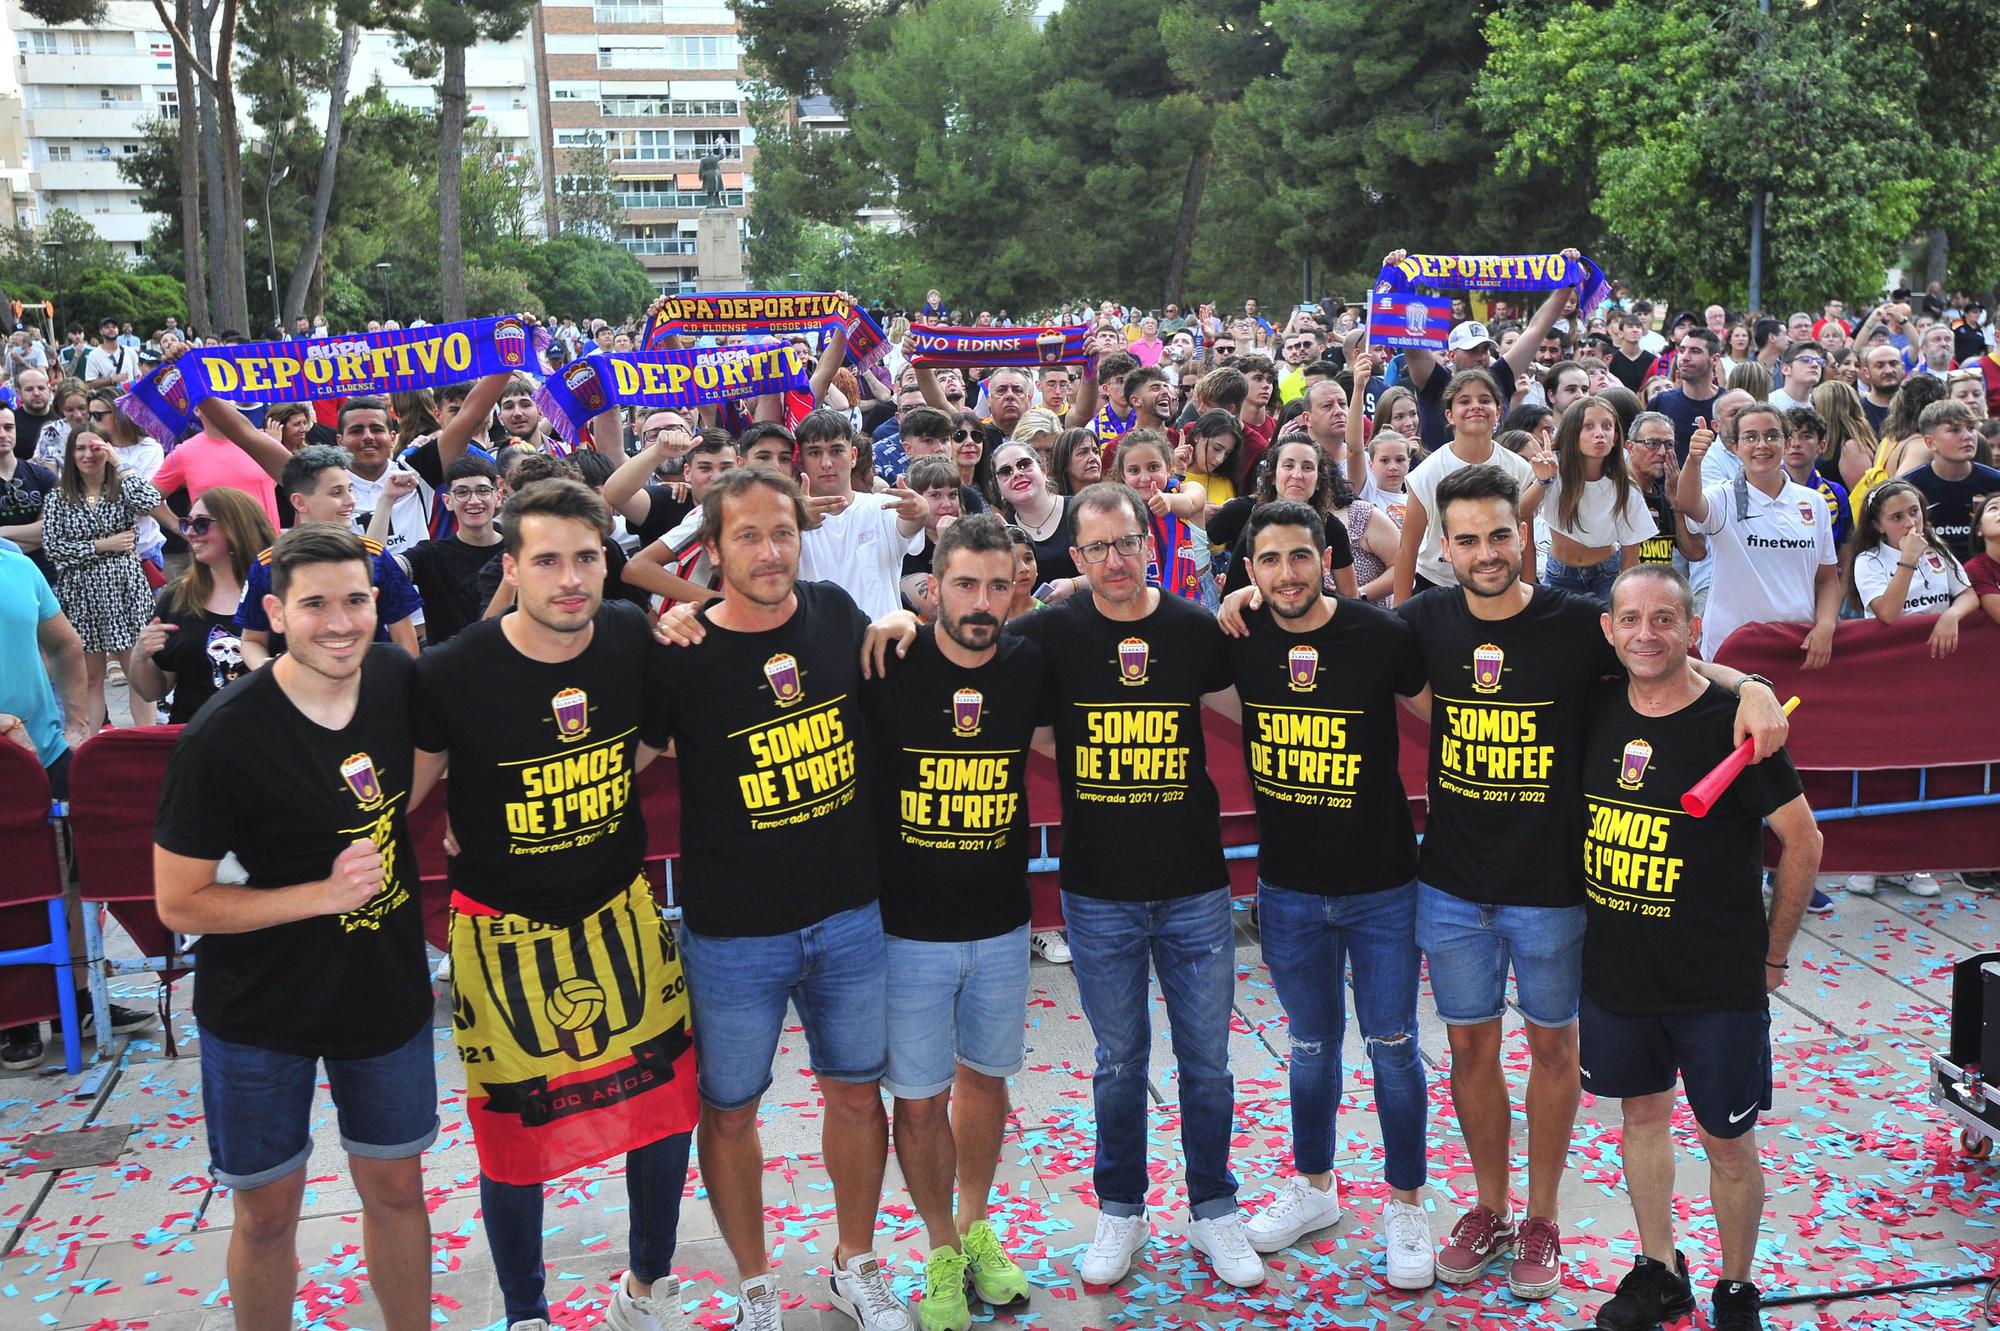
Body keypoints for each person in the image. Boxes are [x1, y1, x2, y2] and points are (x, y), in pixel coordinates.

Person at [1389, 463, 1787, 1300]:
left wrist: (1749, 682)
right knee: (1469, 1048)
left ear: (1522, 532)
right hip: (1454, 884)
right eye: (1467, 538)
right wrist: (1243, 601)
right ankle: (1489, 1207)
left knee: (1552, 1046)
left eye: (1501, 533)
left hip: (1553, 886)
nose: (1487, 551)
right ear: (1445, 546)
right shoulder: (1422, 618)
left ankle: (1541, 1217)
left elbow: (1663, 650)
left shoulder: (1579, 625)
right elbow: (1334, 637)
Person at [411, 478, 698, 1331]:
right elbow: (407, 789)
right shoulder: (452, 670)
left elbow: (651, 742)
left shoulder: (623, 634)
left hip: (620, 911)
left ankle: (646, 1289)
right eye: (547, 560)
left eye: (587, 558)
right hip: (502, 934)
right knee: (513, 1134)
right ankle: (528, 1312)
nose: (571, 578)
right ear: (512, 567)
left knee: (665, 1106)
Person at [649, 466, 914, 1331]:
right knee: (728, 1110)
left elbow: (904, 655)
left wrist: (910, 614)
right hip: (734, 933)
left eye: (783, 533)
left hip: (847, 914)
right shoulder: (683, 651)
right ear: (713, 550)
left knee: (855, 1094)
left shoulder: (836, 612)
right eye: (748, 535)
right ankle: (755, 1283)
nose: (770, 551)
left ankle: (856, 1260)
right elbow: (626, 749)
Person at [153, 524, 436, 1331]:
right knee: (269, 1212)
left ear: (377, 604)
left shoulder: (394, 677)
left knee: (396, 1189)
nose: (339, 621)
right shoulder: (223, 735)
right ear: (275, 612)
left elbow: (438, 753)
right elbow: (179, 902)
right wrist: (320, 894)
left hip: (382, 990)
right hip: (259, 1012)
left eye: (355, 600)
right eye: (315, 604)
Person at [1002, 480, 1262, 1289]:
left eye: (1128, 542)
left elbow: (1248, 707)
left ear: (1150, 543)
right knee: (1119, 1060)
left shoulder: (1193, 628)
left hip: (1193, 884)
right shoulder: (1049, 633)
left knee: (1208, 1062)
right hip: (1098, 887)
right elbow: (1039, 735)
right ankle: (1121, 1208)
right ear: (1073, 556)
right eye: (1098, 547)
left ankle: (1214, 1207)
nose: (1115, 560)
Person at [1580, 564, 1819, 1331]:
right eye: (1631, 618)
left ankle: (1736, 1286)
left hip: (1719, 979)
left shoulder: (1733, 724)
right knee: (1642, 1118)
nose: (1645, 633)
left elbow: (1803, 842)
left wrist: (1774, 957)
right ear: (1610, 628)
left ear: (1691, 629)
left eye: (1664, 619)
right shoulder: (1593, 702)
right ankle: (1660, 1272)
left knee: (1726, 1139)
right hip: (1618, 971)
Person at [1211, 501, 1433, 1287]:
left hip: (1381, 887)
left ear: (1327, 556)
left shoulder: (1381, 637)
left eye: (1300, 557)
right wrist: (1226, 605)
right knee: (1309, 1047)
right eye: (1268, 561)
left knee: (1394, 1047)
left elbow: (1452, 716)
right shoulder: (1237, 638)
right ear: (1249, 570)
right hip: (1291, 889)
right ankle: (1315, 1188)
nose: (1286, 574)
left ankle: (1407, 1202)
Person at [864, 513, 1041, 1330]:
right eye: (963, 584)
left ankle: (974, 1227)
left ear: (1017, 587)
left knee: (987, 1078)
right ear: (931, 587)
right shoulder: (887, 661)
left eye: (994, 585)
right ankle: (938, 1244)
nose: (979, 601)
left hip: (1004, 924)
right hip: (907, 929)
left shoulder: (1030, 664)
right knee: (920, 1097)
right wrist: (892, 619)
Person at [40, 428, 179, 728]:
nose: (88, 455)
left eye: (96, 447)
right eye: (80, 448)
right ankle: (92, 745)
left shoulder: (122, 488)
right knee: (91, 678)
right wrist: (102, 545)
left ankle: (145, 739)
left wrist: (118, 461)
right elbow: (54, 548)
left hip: (124, 589)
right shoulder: (58, 496)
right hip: (80, 594)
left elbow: (149, 500)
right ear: (70, 454)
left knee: (138, 674)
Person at [237, 446, 422, 666]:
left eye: (350, 490)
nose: (351, 500)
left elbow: (405, 641)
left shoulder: (375, 556)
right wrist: (273, 673)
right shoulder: (268, 564)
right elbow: (251, 641)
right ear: (299, 502)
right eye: (337, 492)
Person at [127, 487, 273, 724]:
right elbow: (154, 691)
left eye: (202, 523)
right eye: (187, 524)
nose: (191, 533)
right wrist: (140, 656)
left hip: (263, 739)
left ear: (237, 527)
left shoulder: (278, 593)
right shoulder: (179, 596)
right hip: (194, 739)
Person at [1393, 369, 1538, 600]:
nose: (1475, 406)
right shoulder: (1427, 473)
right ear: (1450, 415)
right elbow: (1408, 547)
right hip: (1439, 583)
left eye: (1484, 400)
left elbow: (1524, 538)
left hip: (1500, 579)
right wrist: (1398, 613)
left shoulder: (1520, 468)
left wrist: (1531, 592)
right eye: (1464, 401)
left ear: (1498, 412)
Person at [795, 408, 927, 620]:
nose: (826, 463)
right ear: (801, 460)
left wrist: (920, 513)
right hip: (817, 648)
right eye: (814, 452)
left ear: (854, 456)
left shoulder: (883, 507)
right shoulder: (788, 520)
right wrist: (795, 521)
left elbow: (907, 524)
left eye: (836, 451)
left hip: (882, 645)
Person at [1528, 395, 1655, 601]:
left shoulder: (1625, 485)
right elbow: (1521, 511)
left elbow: (1631, 550)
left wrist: (1626, 594)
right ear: (1571, 432)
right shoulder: (1553, 467)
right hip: (1561, 574)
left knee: (1607, 631)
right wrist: (1543, 480)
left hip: (1607, 575)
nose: (1599, 434)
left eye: (1607, 426)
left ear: (1615, 438)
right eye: (1588, 426)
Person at [395, 456, 504, 646]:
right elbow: (380, 567)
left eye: (483, 491)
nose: (474, 501)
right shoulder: (430, 555)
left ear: (498, 497)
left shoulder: (520, 548)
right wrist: (386, 501)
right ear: (448, 501)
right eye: (462, 492)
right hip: (447, 671)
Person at [1112, 429, 1207, 601]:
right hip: (1144, 601)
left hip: (1199, 597)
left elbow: (1191, 503)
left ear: (1169, 468)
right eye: (1134, 471)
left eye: (1153, 467)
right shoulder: (1121, 511)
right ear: (1123, 476)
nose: (1145, 478)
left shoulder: (1188, 489)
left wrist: (1169, 501)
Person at [1900, 399, 2000, 562]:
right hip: (1928, 577)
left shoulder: (1995, 483)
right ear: (1930, 442)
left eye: (1971, 428)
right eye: (1954, 430)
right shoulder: (1908, 487)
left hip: (1985, 579)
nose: (1967, 437)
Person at [0, 404, 57, 581]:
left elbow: (53, 529)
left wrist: (2, 532)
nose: (3, 434)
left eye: (8, 427)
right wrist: (35, 536)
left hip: (45, 577)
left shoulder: (41, 476)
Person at [1651, 328, 1724, 458]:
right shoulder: (1661, 402)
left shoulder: (1728, 404)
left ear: (1715, 359)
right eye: (1682, 350)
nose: (1685, 357)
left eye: (1695, 351)